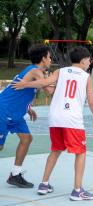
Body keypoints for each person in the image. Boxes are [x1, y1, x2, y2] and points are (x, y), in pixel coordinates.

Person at [13, 46, 93, 200]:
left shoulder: (61, 71)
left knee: (56, 149)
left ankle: (44, 184)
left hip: (55, 117)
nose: (89, 63)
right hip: (72, 119)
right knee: (80, 152)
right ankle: (77, 190)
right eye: (89, 61)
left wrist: (24, 84)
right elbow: (92, 102)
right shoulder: (87, 77)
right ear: (83, 60)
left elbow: (43, 83)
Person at [0, 44, 52, 188]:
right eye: (49, 57)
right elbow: (49, 90)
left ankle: (15, 174)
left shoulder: (34, 72)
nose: (51, 60)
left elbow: (23, 92)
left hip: (15, 114)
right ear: (43, 59)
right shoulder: (35, 71)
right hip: (3, 110)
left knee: (27, 138)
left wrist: (28, 108)